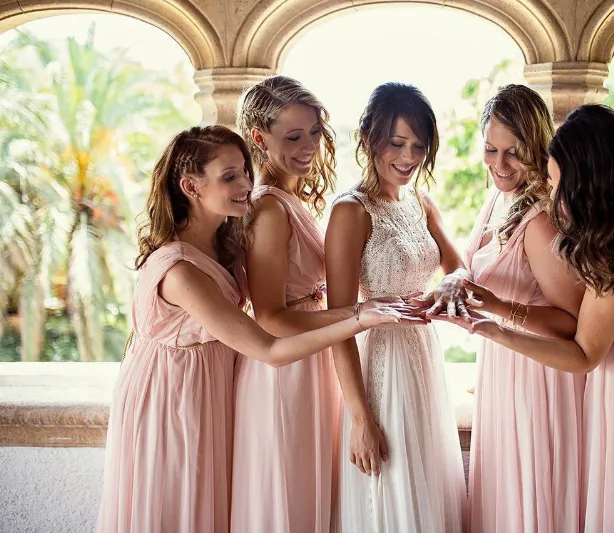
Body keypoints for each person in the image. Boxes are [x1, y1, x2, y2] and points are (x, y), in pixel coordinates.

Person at [95, 125, 414, 533]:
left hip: (209, 392)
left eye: (245, 170)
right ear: (190, 186)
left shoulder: (221, 242)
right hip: (171, 401)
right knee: (177, 512)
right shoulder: (179, 271)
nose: (248, 183)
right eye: (230, 177)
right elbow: (268, 348)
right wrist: (360, 317)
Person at [449, 104, 614, 533]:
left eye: (558, 181)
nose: (554, 193)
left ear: (590, 179)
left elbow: (584, 353)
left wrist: (492, 330)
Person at [230, 76, 412, 533]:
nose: (309, 145)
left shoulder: (291, 198)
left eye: (314, 131)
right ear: (259, 138)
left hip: (311, 361)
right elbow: (269, 316)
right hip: (285, 374)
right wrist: (360, 315)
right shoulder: (269, 209)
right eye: (293, 137)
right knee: (288, 500)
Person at [327, 83, 467, 533]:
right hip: (380, 363)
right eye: (397, 143)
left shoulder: (421, 203)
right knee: (390, 482)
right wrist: (360, 419)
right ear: (369, 138)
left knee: (427, 478)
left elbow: (457, 266)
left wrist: (447, 285)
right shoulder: (351, 212)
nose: (409, 157)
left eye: (419, 146)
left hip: (423, 355)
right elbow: (340, 324)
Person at [463, 84, 585, 533]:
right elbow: (471, 262)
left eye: (513, 152)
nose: (499, 164)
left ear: (537, 147)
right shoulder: (498, 198)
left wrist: (500, 308)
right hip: (501, 365)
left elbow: (571, 324)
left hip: (537, 377)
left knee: (533, 502)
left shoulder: (539, 220)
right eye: (491, 149)